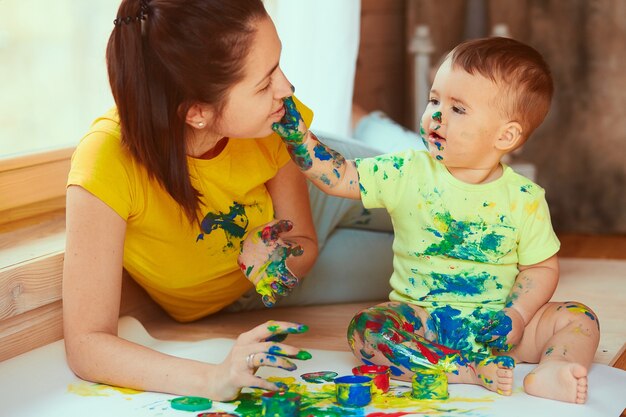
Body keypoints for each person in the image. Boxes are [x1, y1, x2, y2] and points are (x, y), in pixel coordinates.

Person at [272, 36, 600, 404]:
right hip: (423, 323)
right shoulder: (407, 169)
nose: (436, 116)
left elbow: (540, 268)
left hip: (501, 328)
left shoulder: (525, 198)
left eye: (458, 109)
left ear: (505, 135)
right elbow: (341, 175)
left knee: (578, 318)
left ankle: (555, 369)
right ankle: (467, 369)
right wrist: (299, 138)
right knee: (368, 330)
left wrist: (519, 315)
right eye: (434, 100)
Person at [63, 0, 325, 401]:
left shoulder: (276, 118)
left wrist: (281, 253)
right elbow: (86, 344)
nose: (287, 88)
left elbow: (304, 240)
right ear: (196, 112)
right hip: (244, 299)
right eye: (264, 81)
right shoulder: (105, 163)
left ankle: (373, 124)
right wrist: (213, 379)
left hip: (324, 189)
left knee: (430, 188)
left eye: (279, 66)